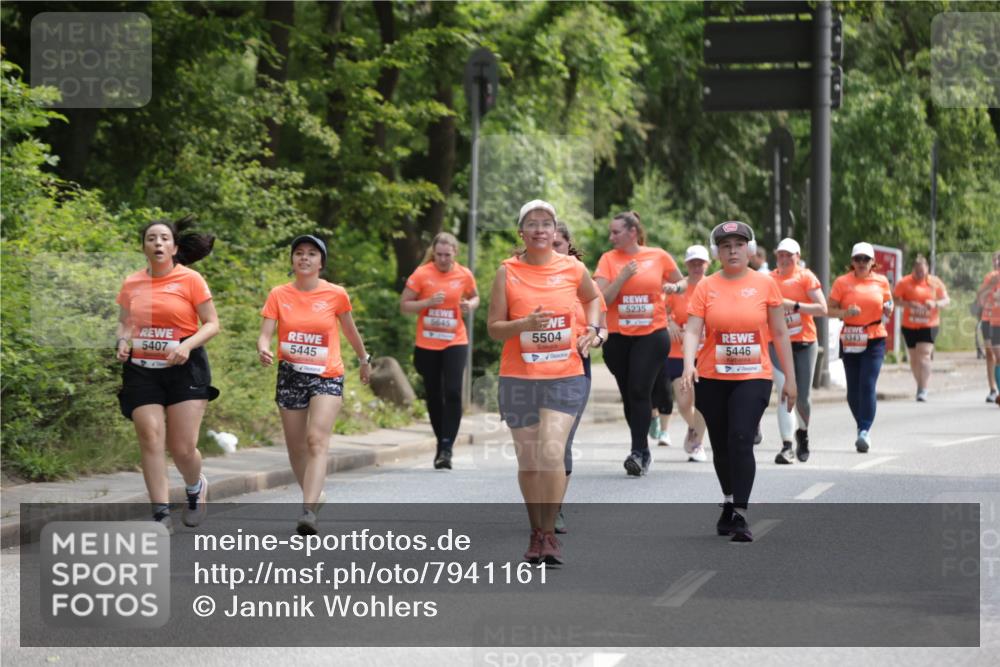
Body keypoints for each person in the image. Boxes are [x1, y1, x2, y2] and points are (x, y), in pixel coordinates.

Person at [487, 200, 600, 565]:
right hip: (519, 377)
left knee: (551, 451)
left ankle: (549, 534)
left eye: (546, 223)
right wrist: (522, 326)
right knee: (530, 461)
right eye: (532, 224)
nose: (539, 229)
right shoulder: (506, 273)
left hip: (565, 375)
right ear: (521, 232)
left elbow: (593, 299)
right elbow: (493, 329)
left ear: (555, 232)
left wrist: (595, 331)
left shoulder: (573, 268)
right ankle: (536, 530)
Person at [680, 221, 795, 542]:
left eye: (739, 245)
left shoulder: (765, 285)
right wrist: (688, 365)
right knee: (721, 443)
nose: (733, 250)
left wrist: (791, 380)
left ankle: (741, 514)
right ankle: (728, 503)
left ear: (750, 249)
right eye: (726, 245)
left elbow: (780, 333)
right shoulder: (706, 286)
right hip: (713, 376)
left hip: (754, 376)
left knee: (741, 437)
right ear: (717, 252)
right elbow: (691, 329)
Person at [258, 235, 372, 535]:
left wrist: (363, 359)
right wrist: (264, 347)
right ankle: (314, 495)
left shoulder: (336, 294)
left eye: (311, 254)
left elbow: (349, 329)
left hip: (327, 374)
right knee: (296, 447)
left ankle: (307, 511)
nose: (304, 258)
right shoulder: (278, 294)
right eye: (299, 253)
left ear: (321, 263)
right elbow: (266, 333)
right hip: (290, 374)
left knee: (315, 440)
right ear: (293, 260)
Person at [116, 216, 220, 533]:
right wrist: (122, 340)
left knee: (182, 448)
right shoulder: (132, 283)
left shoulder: (191, 280)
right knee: (149, 436)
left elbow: (212, 324)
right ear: (144, 247)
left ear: (174, 247)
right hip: (142, 369)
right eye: (151, 238)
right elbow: (124, 322)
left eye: (163, 238)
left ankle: (194, 486)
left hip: (184, 367)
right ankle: (160, 514)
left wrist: (186, 346)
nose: (157, 243)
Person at [594, 211, 686, 476]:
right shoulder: (608, 260)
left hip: (652, 334)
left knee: (638, 390)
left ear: (632, 233)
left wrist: (674, 289)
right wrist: (621, 277)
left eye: (616, 232)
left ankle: (636, 453)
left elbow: (681, 280)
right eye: (610, 232)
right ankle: (643, 449)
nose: (611, 237)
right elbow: (602, 300)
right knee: (628, 395)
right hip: (618, 338)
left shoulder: (658, 255)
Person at [400, 232, 479, 469]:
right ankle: (440, 441)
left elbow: (475, 297)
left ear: (455, 253)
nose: (443, 259)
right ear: (433, 253)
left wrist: (469, 305)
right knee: (434, 394)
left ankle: (447, 447)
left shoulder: (464, 274)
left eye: (448, 255)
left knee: (453, 391)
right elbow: (404, 305)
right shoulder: (422, 274)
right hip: (427, 343)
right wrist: (426, 303)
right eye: (439, 255)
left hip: (455, 341)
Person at [552, 220, 607, 533]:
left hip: (573, 368)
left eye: (559, 244)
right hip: (531, 372)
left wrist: (595, 337)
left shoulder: (579, 276)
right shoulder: (522, 275)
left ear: (568, 246)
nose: (553, 250)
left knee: (561, 441)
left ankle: (554, 508)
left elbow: (601, 326)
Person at [828, 242, 894, 452]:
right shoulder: (842, 282)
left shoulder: (881, 281)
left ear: (873, 262)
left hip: (874, 336)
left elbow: (888, 304)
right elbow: (829, 310)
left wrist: (888, 309)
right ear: (852, 262)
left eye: (866, 259)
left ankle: (865, 430)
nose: (862, 263)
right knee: (853, 391)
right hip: (850, 337)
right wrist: (845, 314)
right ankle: (861, 425)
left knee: (867, 384)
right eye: (858, 259)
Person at [769, 238, 827, 464]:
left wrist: (793, 305)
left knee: (802, 398)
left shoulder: (806, 277)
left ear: (798, 257)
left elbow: (822, 309)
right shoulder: (769, 279)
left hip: (804, 342)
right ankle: (787, 446)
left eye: (789, 255)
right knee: (784, 390)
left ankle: (802, 434)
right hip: (777, 344)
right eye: (781, 254)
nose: (784, 259)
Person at [661, 245, 710, 462]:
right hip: (677, 354)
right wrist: (668, 322)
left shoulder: (713, 287)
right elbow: (660, 310)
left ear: (708, 264)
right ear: (686, 265)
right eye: (693, 263)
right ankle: (694, 429)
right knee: (683, 403)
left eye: (701, 262)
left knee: (703, 403)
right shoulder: (679, 289)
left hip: (706, 354)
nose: (697, 266)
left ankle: (697, 442)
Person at [894, 255, 950, 401]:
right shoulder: (904, 282)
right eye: (917, 272)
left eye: (923, 272)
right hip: (909, 325)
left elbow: (946, 300)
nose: (920, 275)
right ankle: (920, 384)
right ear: (913, 269)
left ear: (927, 270)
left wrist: (935, 304)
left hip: (929, 324)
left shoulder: (935, 282)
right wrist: (909, 304)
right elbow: (895, 300)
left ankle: (923, 389)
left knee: (924, 355)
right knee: (914, 359)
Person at [978, 251, 1000, 407]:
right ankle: (993, 389)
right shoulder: (990, 277)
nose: (996, 263)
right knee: (991, 354)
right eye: (995, 260)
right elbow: (980, 297)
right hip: (988, 318)